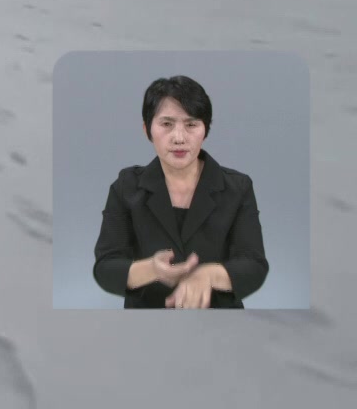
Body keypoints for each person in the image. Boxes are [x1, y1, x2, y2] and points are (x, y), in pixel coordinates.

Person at [91, 75, 269, 308]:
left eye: (191, 124)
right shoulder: (127, 186)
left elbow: (254, 265)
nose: (179, 138)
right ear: (147, 129)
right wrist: (151, 270)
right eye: (166, 124)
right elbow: (105, 267)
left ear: (205, 130)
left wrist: (208, 276)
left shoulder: (238, 187)